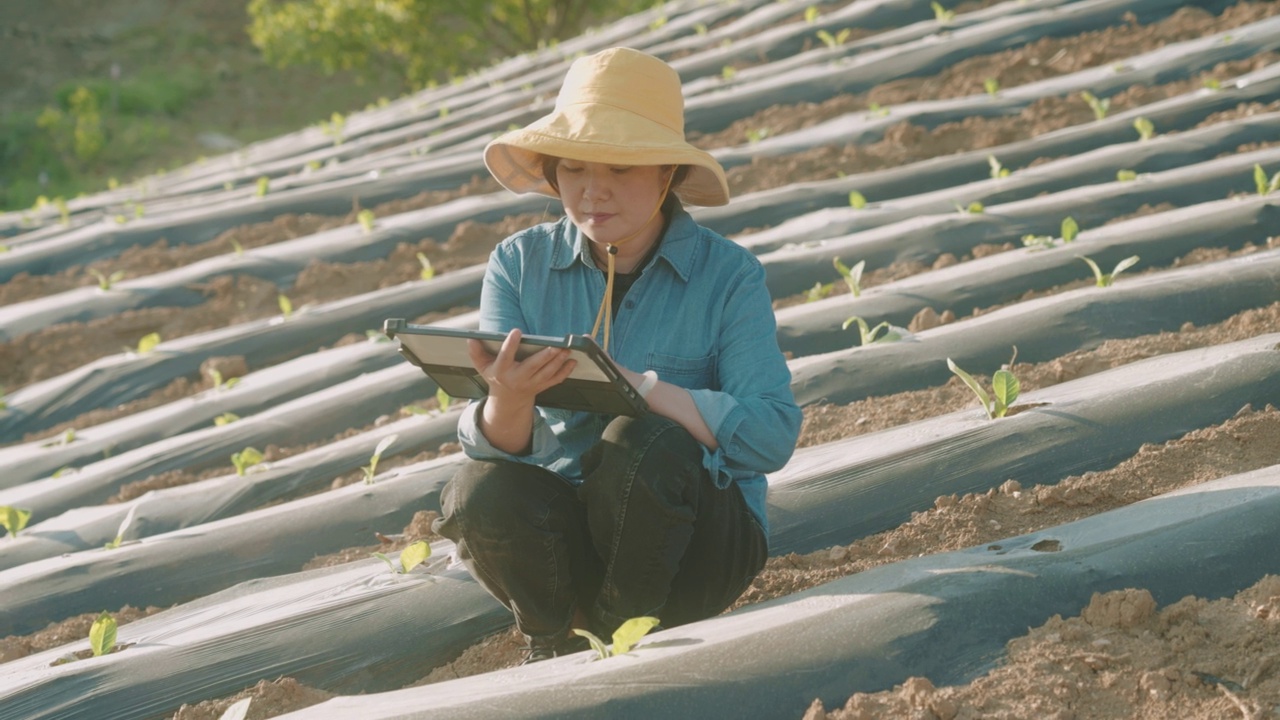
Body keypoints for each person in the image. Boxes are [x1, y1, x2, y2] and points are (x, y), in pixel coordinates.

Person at [434, 47, 802, 664]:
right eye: (574, 169)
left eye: (621, 170)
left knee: (644, 438)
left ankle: (616, 638)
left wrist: (644, 388)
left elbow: (771, 437)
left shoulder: (728, 276)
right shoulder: (519, 266)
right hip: (570, 545)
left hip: (695, 545)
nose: (593, 191)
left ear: (667, 174)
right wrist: (509, 397)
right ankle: (553, 642)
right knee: (477, 489)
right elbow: (500, 452)